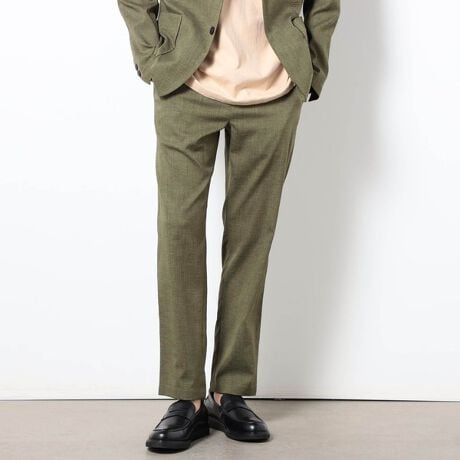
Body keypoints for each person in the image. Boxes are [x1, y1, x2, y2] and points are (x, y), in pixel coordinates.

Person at [118, 0, 340, 452]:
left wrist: (311, 68)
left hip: (274, 90)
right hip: (185, 82)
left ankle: (229, 391)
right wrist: (151, 56)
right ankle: (186, 396)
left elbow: (326, 4)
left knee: (251, 239)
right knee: (178, 236)